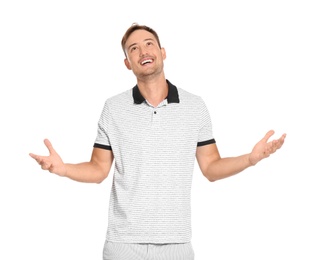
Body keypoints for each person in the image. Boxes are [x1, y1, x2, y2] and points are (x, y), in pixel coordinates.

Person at [29, 23, 286, 260]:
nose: (143, 51)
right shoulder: (113, 108)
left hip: (177, 245)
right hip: (123, 245)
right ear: (127, 63)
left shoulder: (195, 106)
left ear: (162, 52)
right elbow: (98, 169)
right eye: (134, 48)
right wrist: (63, 169)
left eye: (149, 43)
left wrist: (250, 160)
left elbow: (211, 167)